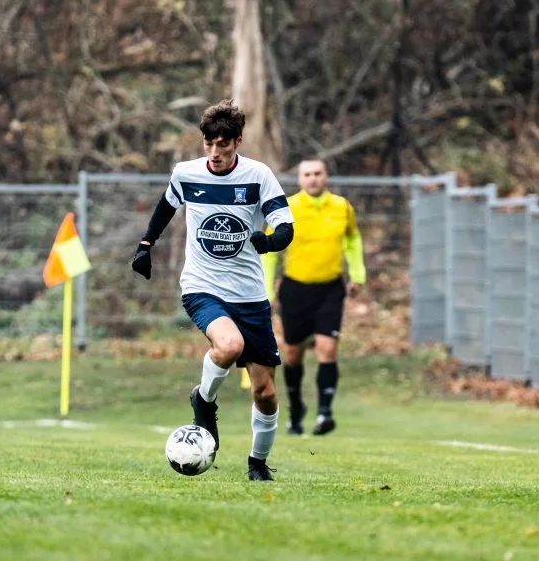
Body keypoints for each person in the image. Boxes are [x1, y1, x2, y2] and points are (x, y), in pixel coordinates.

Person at [130, 99, 294, 482]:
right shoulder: (186, 173)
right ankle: (203, 402)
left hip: (250, 296)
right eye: (209, 144)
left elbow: (286, 227)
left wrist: (268, 241)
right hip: (202, 287)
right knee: (229, 345)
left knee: (266, 394)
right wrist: (145, 245)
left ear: (238, 141)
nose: (215, 153)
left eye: (223, 144)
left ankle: (257, 463)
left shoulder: (258, 176)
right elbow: (166, 207)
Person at [261, 159, 366, 436]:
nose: (313, 179)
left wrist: (357, 275)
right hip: (295, 288)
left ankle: (324, 413)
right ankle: (296, 411)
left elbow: (353, 239)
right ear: (300, 178)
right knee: (292, 354)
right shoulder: (288, 208)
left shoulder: (342, 207)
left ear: (326, 176)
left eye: (318, 173)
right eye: (307, 174)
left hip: (330, 288)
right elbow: (269, 250)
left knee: (327, 349)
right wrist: (266, 290)